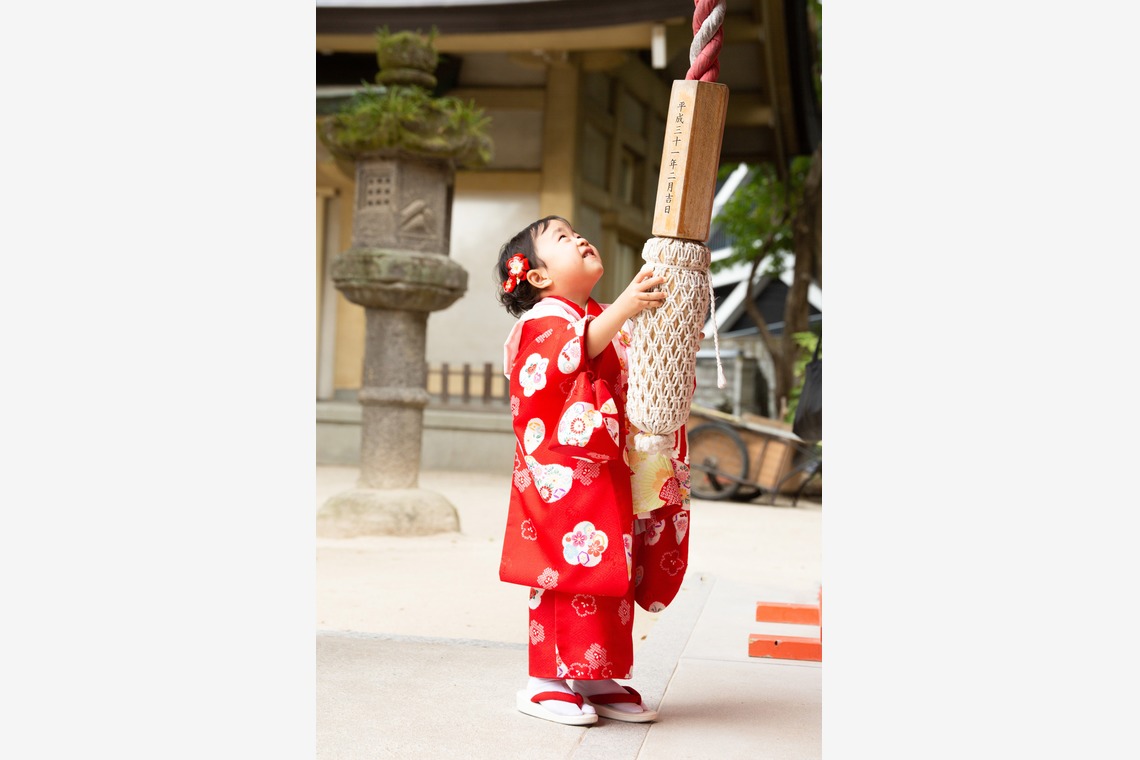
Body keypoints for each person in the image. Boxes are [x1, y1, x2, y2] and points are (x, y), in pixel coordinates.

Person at [494, 216, 694, 726]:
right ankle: (544, 680)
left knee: (610, 570)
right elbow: (556, 369)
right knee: (565, 569)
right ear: (538, 277)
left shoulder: (596, 316)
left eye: (576, 231)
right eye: (562, 238)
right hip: (561, 473)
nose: (579, 237)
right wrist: (625, 306)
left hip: (604, 468)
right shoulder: (541, 322)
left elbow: (632, 376)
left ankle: (593, 674)